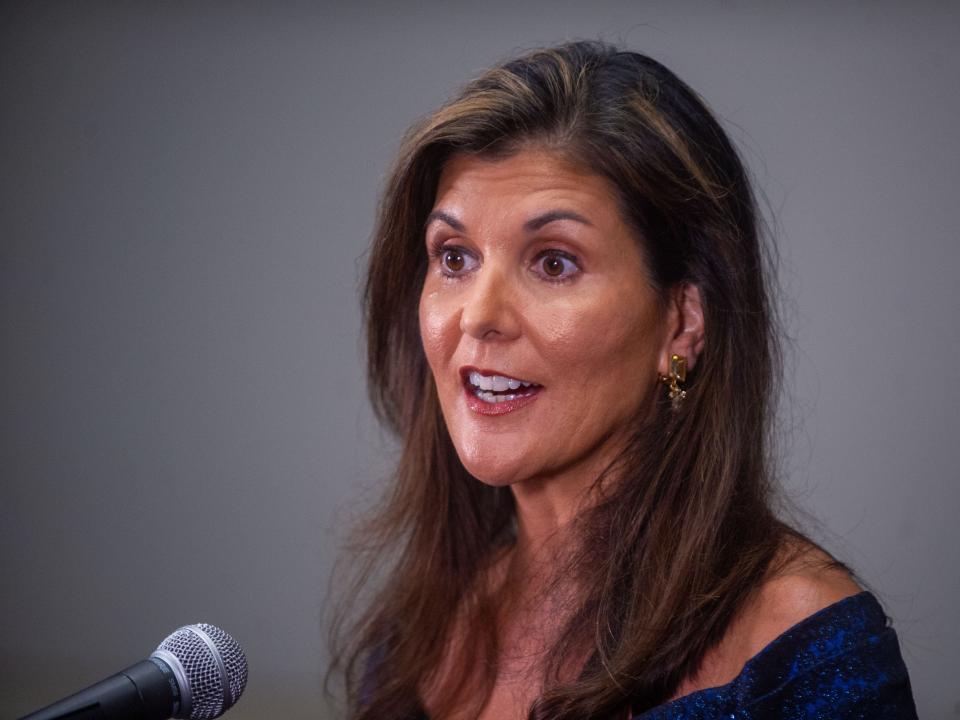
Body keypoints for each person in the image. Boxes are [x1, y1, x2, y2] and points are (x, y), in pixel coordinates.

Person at [331, 41, 917, 719]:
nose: (479, 317)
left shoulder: (803, 654)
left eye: (553, 263)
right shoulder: (416, 640)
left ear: (681, 322)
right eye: (454, 257)